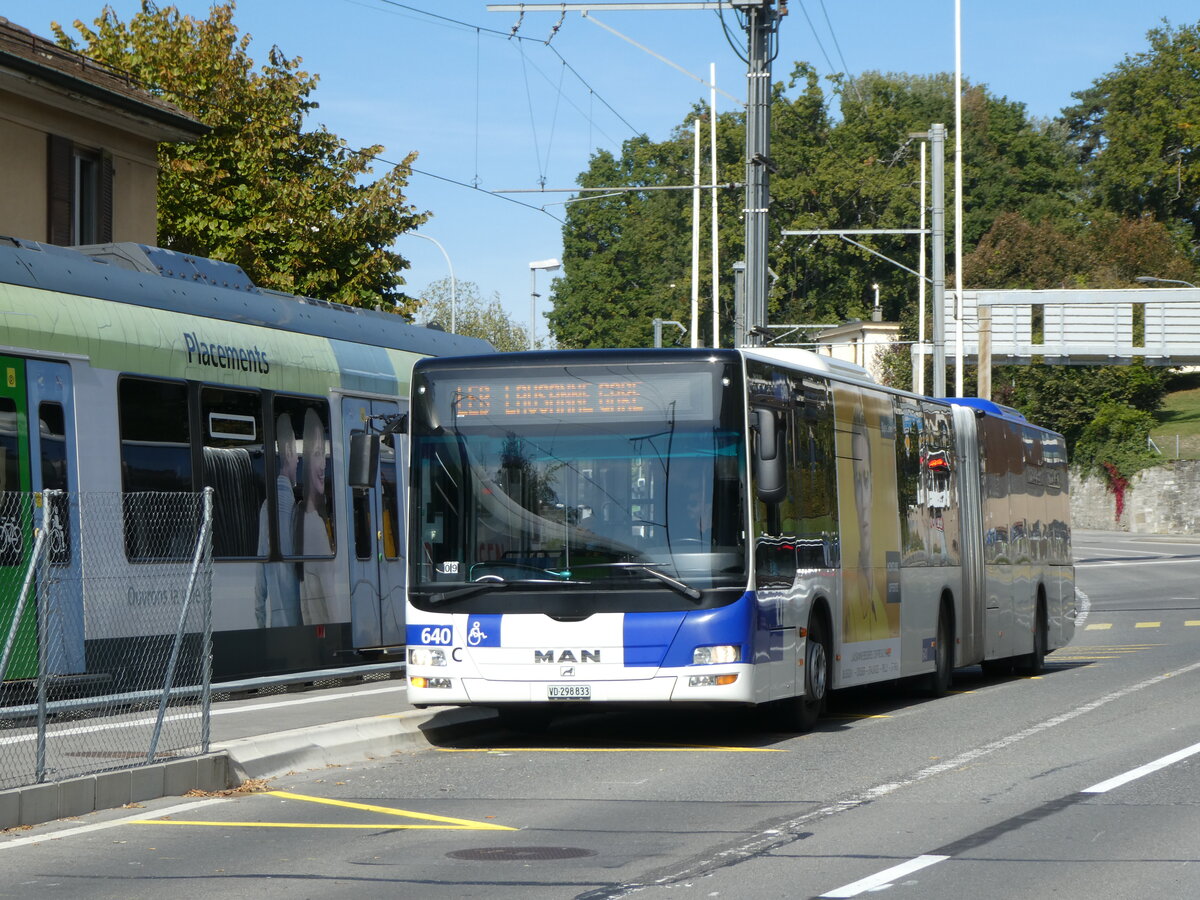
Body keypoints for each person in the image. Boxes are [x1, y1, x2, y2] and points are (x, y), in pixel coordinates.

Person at [254, 413, 301, 627]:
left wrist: (261, 624)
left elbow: (260, 577)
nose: (298, 459)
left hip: (276, 624)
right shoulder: (295, 508)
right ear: (289, 452)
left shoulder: (266, 507)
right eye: (296, 454)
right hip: (300, 626)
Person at [297, 408, 340, 625]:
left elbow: (305, 606)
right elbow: (332, 606)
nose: (323, 465)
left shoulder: (301, 518)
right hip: (328, 636)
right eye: (315, 455)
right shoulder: (315, 525)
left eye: (323, 454)